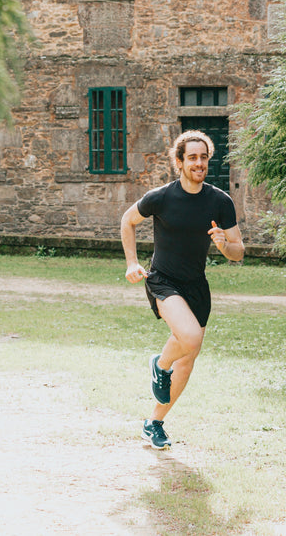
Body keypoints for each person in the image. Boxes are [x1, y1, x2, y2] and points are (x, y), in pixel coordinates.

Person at [120, 130, 244, 450]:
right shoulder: (160, 197)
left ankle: (155, 422)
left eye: (203, 157)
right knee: (189, 337)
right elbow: (127, 221)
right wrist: (132, 263)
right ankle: (160, 364)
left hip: (196, 286)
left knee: (187, 360)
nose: (198, 163)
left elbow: (239, 251)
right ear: (179, 162)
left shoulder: (220, 201)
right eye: (192, 157)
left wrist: (224, 245)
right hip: (163, 280)